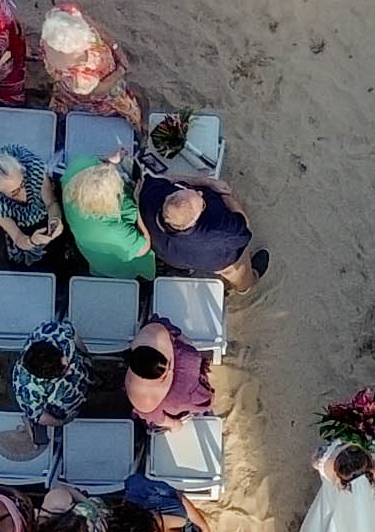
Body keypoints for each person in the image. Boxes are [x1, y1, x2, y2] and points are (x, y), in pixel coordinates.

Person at [136, 162, 269, 293]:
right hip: (216, 260)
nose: (200, 193)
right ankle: (245, 285)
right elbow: (244, 226)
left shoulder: (149, 196)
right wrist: (225, 196)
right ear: (193, 222)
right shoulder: (221, 230)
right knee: (237, 269)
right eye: (203, 204)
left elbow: (165, 179)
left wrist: (206, 182)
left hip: (171, 256)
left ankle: (186, 270)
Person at [37, 1, 145, 132]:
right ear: (73, 50)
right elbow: (101, 89)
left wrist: (115, 48)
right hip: (97, 90)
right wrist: (120, 70)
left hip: (71, 86)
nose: (89, 41)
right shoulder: (79, 78)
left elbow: (95, 26)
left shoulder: (59, 22)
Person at [61, 157, 156, 278]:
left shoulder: (75, 170)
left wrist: (110, 161)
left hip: (91, 250)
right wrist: (139, 202)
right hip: (118, 260)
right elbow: (143, 248)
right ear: (108, 200)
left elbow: (96, 162)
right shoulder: (113, 231)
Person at [0, 146, 62, 265]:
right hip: (24, 229)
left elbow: (51, 202)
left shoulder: (34, 168)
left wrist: (55, 218)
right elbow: (18, 236)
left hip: (45, 215)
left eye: (23, 183)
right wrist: (32, 241)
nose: (23, 191)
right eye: (14, 192)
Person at [124, 317, 215, 429]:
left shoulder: (174, 396)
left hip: (182, 399)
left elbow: (158, 418)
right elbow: (181, 337)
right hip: (194, 375)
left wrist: (174, 424)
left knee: (151, 419)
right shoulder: (188, 356)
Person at [10, 317, 91, 436]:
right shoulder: (26, 390)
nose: (70, 371)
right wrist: (61, 422)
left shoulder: (50, 331)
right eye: (63, 371)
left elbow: (74, 336)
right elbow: (38, 416)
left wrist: (87, 358)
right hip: (68, 405)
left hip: (84, 375)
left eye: (66, 362)